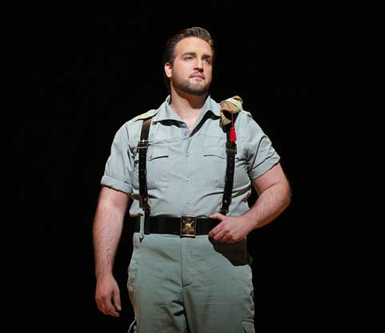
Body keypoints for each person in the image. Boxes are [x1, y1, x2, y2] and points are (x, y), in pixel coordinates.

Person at [93, 26, 291, 333]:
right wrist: (103, 273)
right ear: (169, 68)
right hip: (154, 263)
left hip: (220, 261)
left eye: (207, 59)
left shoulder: (241, 126)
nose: (200, 65)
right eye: (189, 57)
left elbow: (279, 188)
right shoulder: (136, 131)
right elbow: (111, 206)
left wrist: (248, 220)